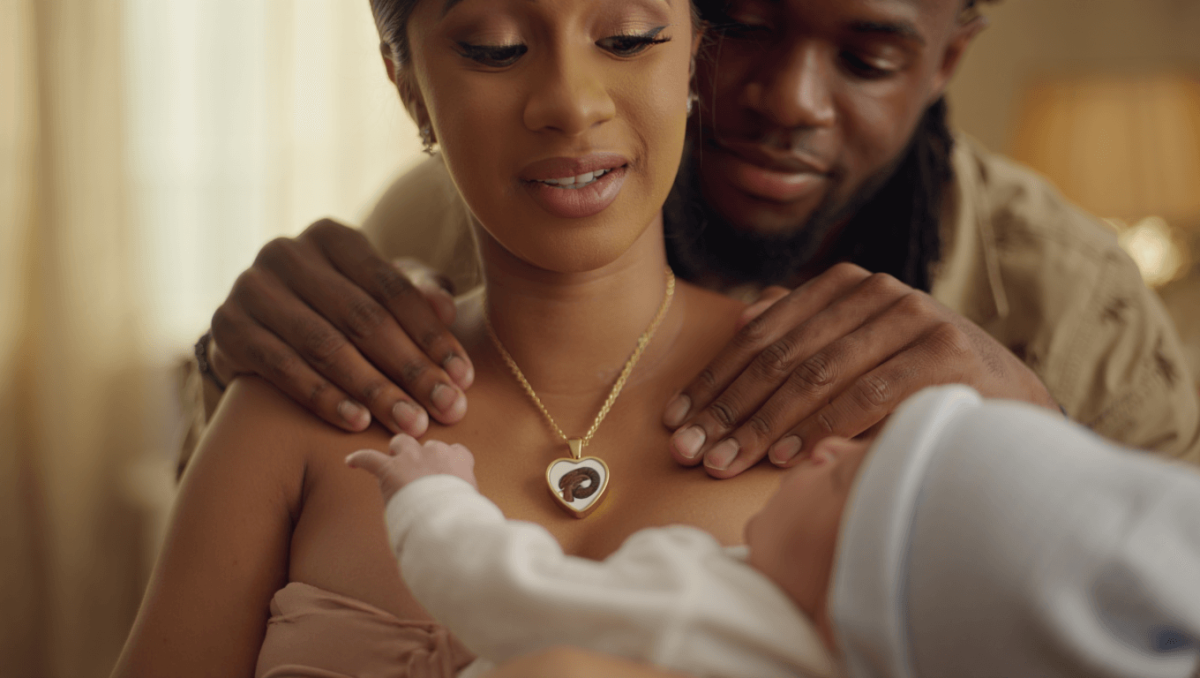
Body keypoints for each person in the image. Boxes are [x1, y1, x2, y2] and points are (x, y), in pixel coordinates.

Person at [187, 0, 1200, 473]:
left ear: (945, 64)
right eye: (746, 26)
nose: (788, 101)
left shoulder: (1073, 302)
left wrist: (1042, 446)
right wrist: (241, 385)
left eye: (868, 59)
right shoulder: (446, 216)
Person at [114, 1, 792, 677]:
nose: (570, 104)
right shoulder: (290, 411)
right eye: (496, 49)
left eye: (626, 39)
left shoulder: (822, 407)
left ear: (693, 55)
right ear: (408, 86)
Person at [348, 385, 1200, 678]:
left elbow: (505, 591)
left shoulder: (705, 610)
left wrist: (436, 498)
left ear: (859, 603)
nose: (831, 446)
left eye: (853, 479)